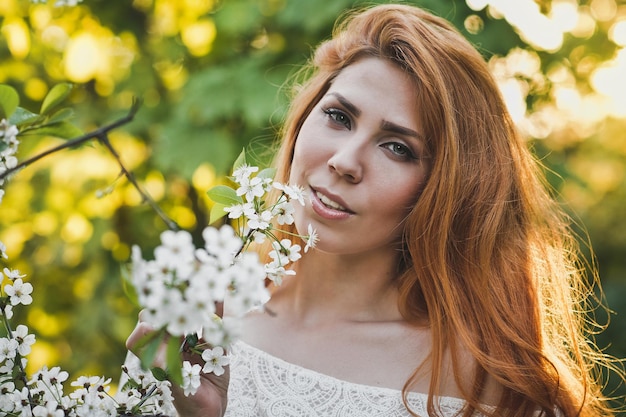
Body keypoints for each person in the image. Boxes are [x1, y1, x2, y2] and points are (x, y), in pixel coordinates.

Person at [127, 3, 623, 416]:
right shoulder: (199, 326)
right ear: (304, 119)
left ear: (447, 190)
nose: (345, 162)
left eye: (397, 148)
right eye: (339, 117)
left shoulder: (491, 390)